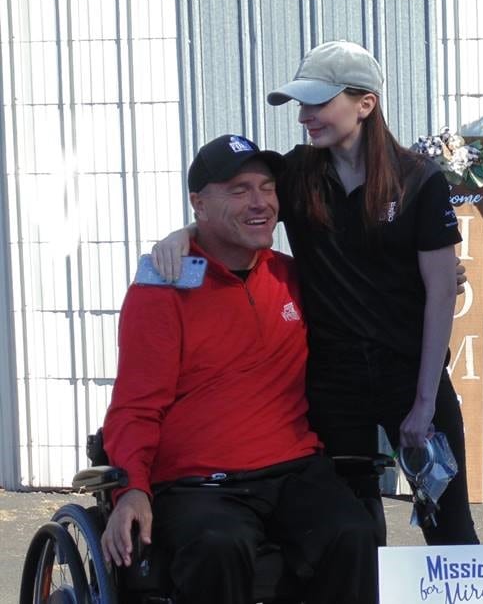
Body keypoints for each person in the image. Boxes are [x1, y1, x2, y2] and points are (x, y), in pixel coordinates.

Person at [153, 40, 479, 546]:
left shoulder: (419, 179)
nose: (304, 116)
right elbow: (244, 212)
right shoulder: (297, 173)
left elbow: (441, 293)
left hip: (409, 374)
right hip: (332, 383)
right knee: (351, 535)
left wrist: (422, 404)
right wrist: (185, 233)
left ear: (365, 104)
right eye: (300, 104)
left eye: (318, 102)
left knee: (450, 530)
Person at [100, 134, 379, 604]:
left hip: (293, 470)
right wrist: (130, 489)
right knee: (219, 545)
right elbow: (135, 406)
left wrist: (435, 277)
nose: (260, 202)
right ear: (199, 204)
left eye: (267, 188)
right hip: (197, 483)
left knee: (354, 533)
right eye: (239, 190)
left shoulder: (293, 276)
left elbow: (375, 287)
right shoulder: (162, 286)